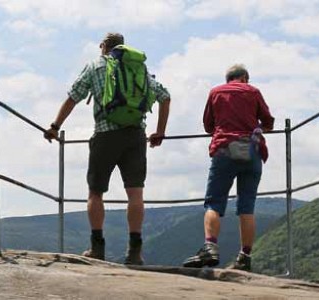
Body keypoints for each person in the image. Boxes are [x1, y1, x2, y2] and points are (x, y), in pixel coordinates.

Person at [44, 33, 171, 265]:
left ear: (103, 47)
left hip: (105, 134)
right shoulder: (138, 67)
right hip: (135, 135)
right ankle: (134, 252)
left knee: (95, 192)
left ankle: (97, 248)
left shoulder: (95, 65)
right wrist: (160, 131)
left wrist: (55, 126)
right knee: (135, 193)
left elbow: (73, 97)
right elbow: (165, 96)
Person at [183, 64, 274, 271]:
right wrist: (258, 126)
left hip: (224, 149)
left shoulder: (215, 92)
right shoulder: (253, 92)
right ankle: (244, 257)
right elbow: (268, 122)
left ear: (228, 79)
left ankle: (211, 247)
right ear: (243, 78)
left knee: (214, 202)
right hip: (251, 150)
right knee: (247, 205)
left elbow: (208, 126)